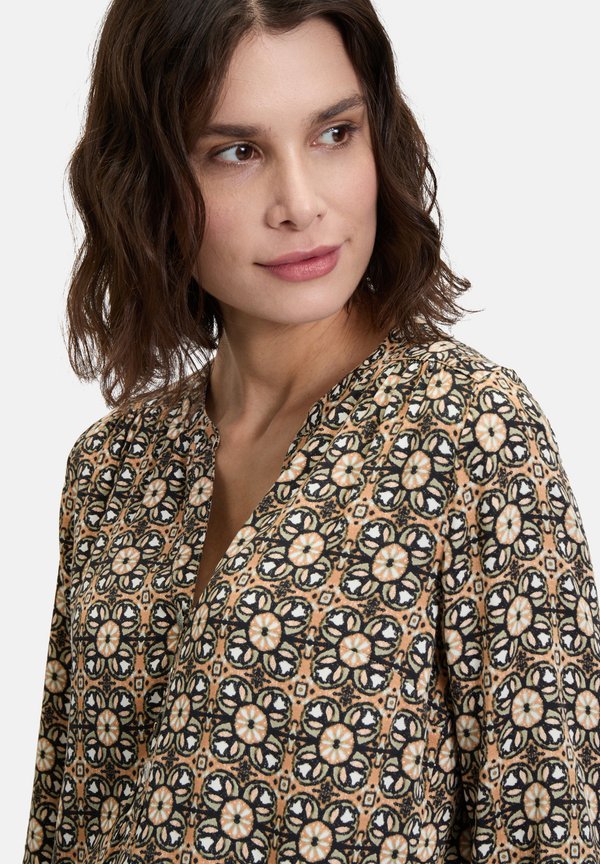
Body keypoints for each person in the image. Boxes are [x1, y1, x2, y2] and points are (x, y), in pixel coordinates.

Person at [23, 1, 599, 862]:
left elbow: (549, 823)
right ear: (146, 178)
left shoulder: (467, 429)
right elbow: (66, 818)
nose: (300, 203)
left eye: (334, 134)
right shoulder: (112, 467)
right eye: (237, 152)